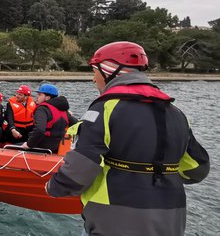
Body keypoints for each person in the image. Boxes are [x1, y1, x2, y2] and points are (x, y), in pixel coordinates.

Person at [46, 41, 209, 235]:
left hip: (114, 219)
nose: (93, 79)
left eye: (94, 71)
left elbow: (80, 170)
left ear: (111, 70)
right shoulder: (176, 113)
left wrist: (53, 187)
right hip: (171, 220)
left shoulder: (104, 109)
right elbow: (197, 169)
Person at [21, 84, 77, 153]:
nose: (37, 97)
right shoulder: (64, 110)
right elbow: (76, 124)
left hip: (42, 146)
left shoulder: (42, 109)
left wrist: (29, 144)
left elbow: (39, 130)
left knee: (14, 146)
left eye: (39, 95)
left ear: (47, 97)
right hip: (57, 147)